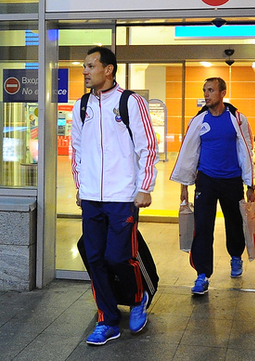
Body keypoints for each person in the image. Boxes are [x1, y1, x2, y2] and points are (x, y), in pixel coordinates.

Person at [71, 46, 159, 345]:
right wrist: (81, 186)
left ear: (108, 69)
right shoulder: (82, 105)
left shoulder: (130, 102)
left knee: (119, 256)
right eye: (84, 66)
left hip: (122, 196)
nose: (85, 71)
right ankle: (107, 320)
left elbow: (148, 146)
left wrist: (144, 187)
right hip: (91, 197)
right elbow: (77, 150)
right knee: (94, 258)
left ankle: (137, 298)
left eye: (90, 66)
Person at [170, 77, 255, 295]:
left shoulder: (237, 119)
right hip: (206, 180)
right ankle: (202, 274)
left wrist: (250, 184)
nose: (206, 95)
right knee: (202, 227)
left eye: (211, 90)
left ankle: (235, 256)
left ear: (223, 93)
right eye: (204, 90)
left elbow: (246, 151)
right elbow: (189, 154)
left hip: (232, 180)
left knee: (234, 223)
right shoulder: (199, 120)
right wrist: (184, 185)